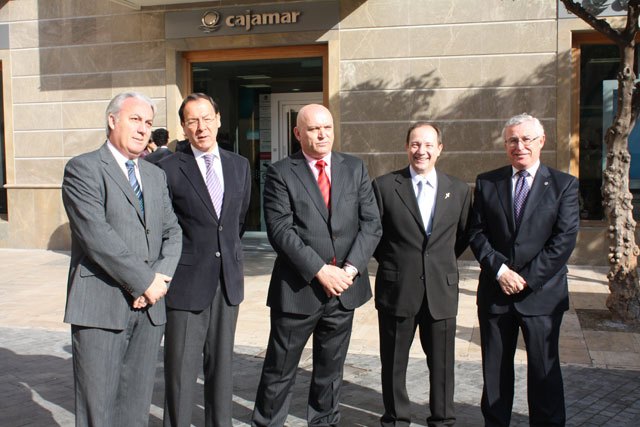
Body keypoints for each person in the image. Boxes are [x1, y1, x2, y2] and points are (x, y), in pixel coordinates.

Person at [252, 104, 382, 426]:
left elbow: (371, 224)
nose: (322, 134)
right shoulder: (281, 173)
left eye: (327, 127)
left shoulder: (354, 168)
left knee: (330, 373)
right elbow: (281, 231)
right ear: (298, 133)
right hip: (299, 290)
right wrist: (321, 271)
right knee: (280, 371)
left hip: (343, 291)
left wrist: (349, 271)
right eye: (313, 129)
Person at [61, 91, 182, 426]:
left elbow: (173, 232)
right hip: (101, 306)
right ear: (112, 120)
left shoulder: (155, 175)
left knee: (135, 407)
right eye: (135, 119)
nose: (143, 129)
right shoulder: (83, 168)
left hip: (150, 309)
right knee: (97, 410)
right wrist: (143, 281)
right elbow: (96, 236)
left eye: (148, 122)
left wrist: (159, 280)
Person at [469, 113, 579, 427]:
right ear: (505, 145)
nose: (520, 146)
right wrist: (501, 272)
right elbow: (476, 233)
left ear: (541, 141)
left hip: (542, 296)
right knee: (495, 372)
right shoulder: (487, 182)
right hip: (496, 293)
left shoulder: (563, 185)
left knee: (544, 372)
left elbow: (564, 239)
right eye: (512, 140)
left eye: (526, 139)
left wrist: (527, 279)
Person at [157, 93, 251, 427]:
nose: (201, 127)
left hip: (228, 282)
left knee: (222, 369)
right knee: (181, 372)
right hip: (186, 283)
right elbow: (163, 228)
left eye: (207, 118)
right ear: (183, 127)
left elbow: (237, 222)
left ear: (219, 119)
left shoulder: (239, 165)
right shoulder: (167, 169)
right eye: (192, 121)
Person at [372, 122, 471, 427]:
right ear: (406, 147)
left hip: (441, 290)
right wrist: (399, 264)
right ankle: (396, 419)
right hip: (397, 289)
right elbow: (374, 236)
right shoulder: (384, 186)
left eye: (428, 145)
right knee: (393, 364)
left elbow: (462, 237)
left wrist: (435, 264)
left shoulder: (459, 190)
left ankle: (442, 420)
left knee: (442, 365)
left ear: (440, 149)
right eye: (415, 144)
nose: (421, 151)